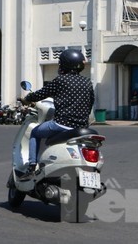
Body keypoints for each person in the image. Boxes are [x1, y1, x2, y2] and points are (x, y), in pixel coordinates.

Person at [21, 48, 94, 178]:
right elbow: (90, 102)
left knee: (34, 133)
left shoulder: (60, 81)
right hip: (82, 126)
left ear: (65, 64)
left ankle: (32, 166)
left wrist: (27, 99)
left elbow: (40, 94)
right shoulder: (87, 82)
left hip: (62, 124)